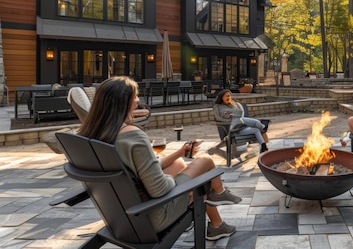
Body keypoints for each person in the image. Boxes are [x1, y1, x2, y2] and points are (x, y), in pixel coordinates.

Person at [77, 76, 241, 241]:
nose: (138, 100)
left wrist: (179, 153)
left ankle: (217, 223)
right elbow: (160, 190)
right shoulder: (131, 135)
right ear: (123, 102)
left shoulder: (95, 135)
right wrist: (171, 178)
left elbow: (143, 169)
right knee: (205, 161)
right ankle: (219, 193)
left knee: (177, 163)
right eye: (134, 96)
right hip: (151, 216)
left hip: (120, 213)